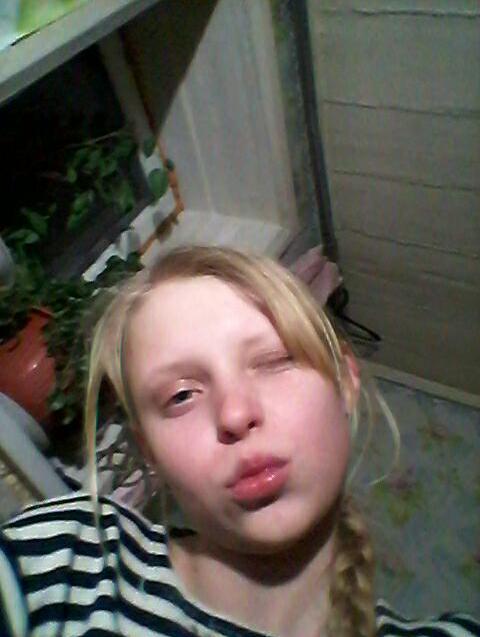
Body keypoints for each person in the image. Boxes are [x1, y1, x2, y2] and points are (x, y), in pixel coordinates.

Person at [0, 245, 478, 637]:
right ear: (149, 451)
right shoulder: (69, 561)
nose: (234, 414)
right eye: (181, 395)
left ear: (345, 380)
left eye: (274, 361)